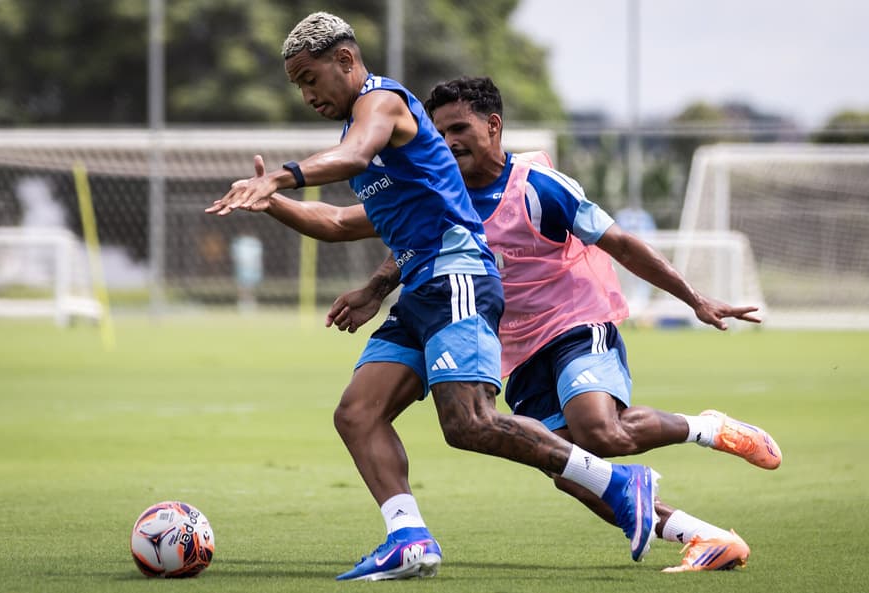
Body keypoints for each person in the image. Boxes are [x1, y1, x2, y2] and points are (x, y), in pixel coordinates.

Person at [206, 13, 660, 581]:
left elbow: (348, 158)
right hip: (421, 292)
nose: (305, 94)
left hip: (458, 278)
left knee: (468, 423)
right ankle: (408, 538)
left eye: (310, 77)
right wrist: (270, 203)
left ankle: (618, 483)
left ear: (345, 60)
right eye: (297, 84)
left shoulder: (384, 103)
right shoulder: (374, 147)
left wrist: (279, 177)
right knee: (357, 414)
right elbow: (335, 222)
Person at [324, 76, 781, 573]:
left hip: (574, 321)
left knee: (599, 433)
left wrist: (693, 298)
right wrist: (373, 288)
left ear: (493, 126)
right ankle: (702, 536)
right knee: (569, 469)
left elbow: (621, 243)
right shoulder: (438, 188)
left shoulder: (539, 186)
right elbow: (409, 241)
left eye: (460, 128)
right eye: (440, 132)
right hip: (512, 345)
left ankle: (707, 428)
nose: (449, 141)